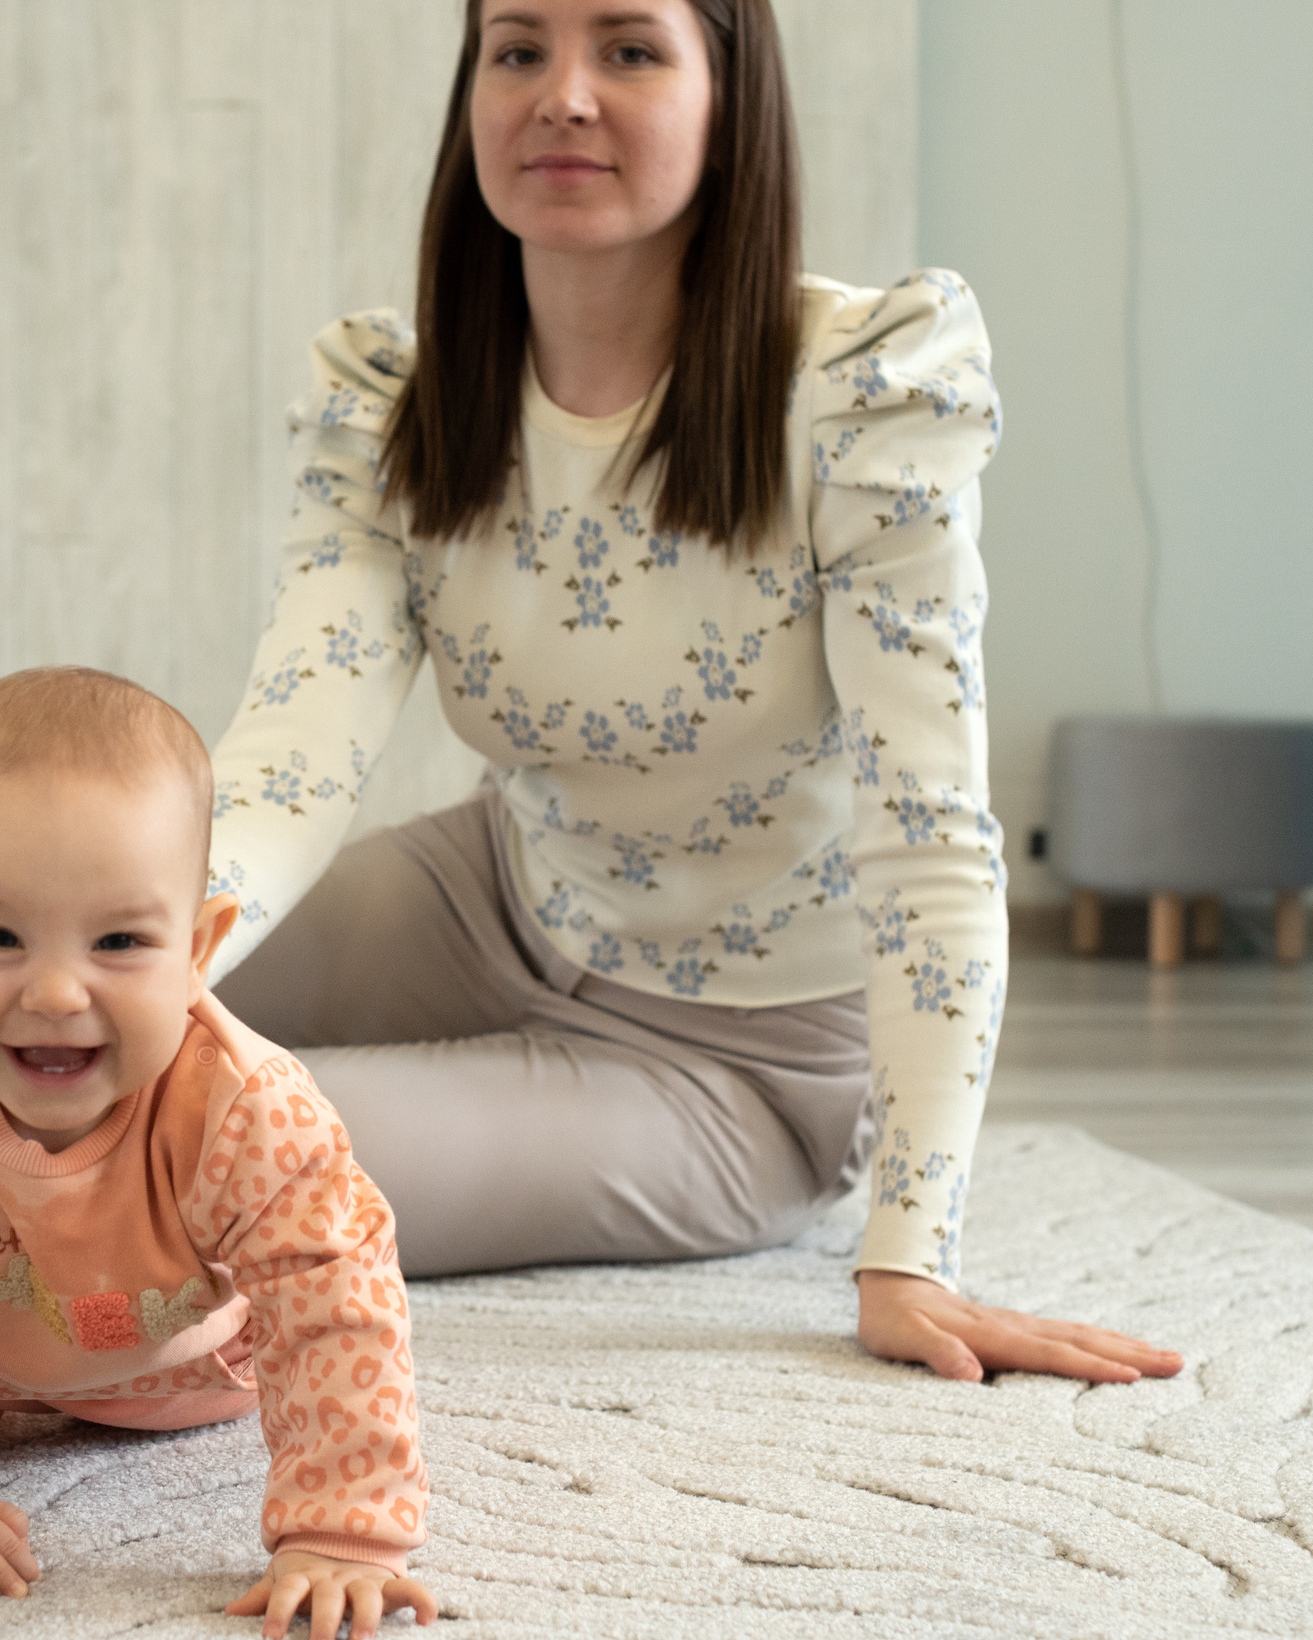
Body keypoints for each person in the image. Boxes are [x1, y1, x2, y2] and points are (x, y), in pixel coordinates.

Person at [205, 0, 1182, 1387]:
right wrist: (107, 964)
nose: (565, 96)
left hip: (743, 1066)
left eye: (632, 49)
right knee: (45, 1024)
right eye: (520, 49)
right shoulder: (403, 404)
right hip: (502, 895)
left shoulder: (857, 399)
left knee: (209, 1153)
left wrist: (911, 1247)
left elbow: (931, 831)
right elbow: (290, 755)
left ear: (732, 103)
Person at [0, 668, 437, 1640]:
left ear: (196, 948)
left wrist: (342, 1528)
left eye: (118, 939)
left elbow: (334, 1298)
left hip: (192, 1376)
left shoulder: (247, 1106)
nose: (59, 990)